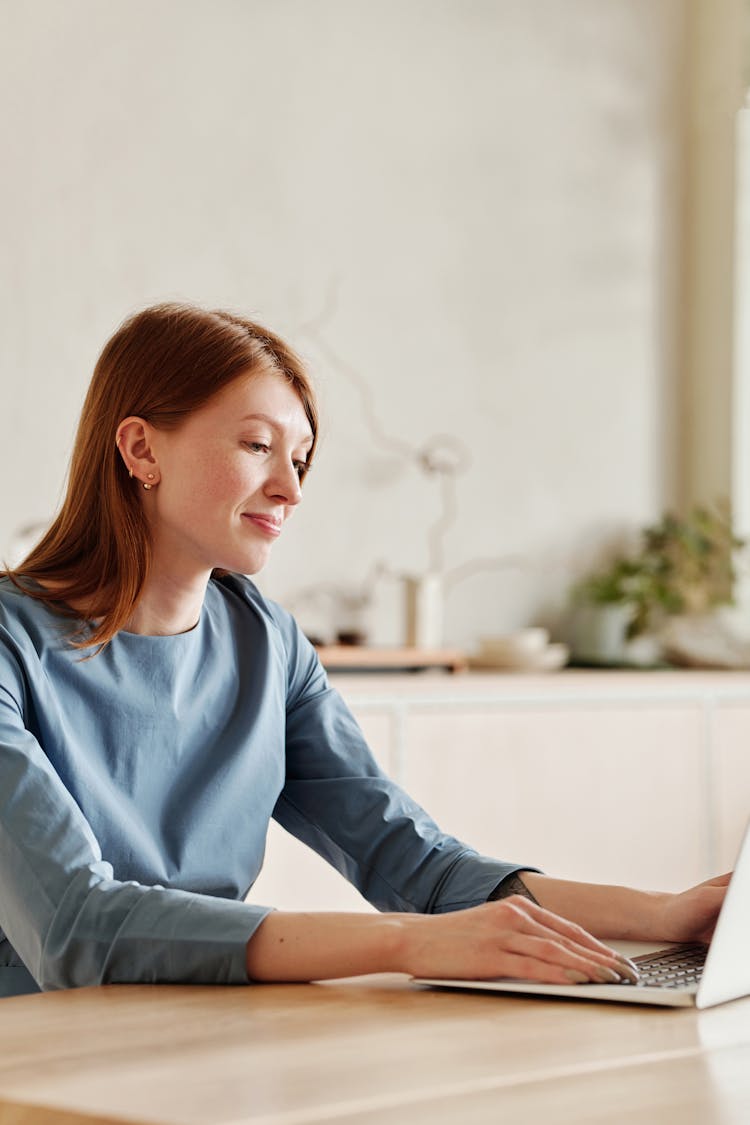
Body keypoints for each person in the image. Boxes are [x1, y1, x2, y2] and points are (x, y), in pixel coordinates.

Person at [0, 302, 728, 997]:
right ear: (140, 447)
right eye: (257, 446)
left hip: (199, 1034)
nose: (289, 487)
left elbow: (412, 860)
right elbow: (77, 926)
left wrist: (661, 915)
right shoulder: (13, 643)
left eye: (301, 457)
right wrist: (409, 942)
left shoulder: (267, 643)